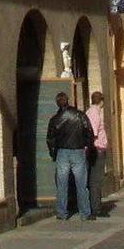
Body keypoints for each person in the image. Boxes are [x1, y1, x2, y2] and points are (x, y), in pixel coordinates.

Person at [46, 91, 95, 221]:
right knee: (81, 184)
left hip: (62, 152)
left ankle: (62, 213)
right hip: (78, 151)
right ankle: (85, 213)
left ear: (57, 103)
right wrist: (87, 146)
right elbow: (89, 131)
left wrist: (53, 153)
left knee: (62, 184)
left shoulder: (55, 119)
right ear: (68, 101)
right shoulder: (80, 115)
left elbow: (50, 138)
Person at [86, 90, 109, 214]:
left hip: (95, 149)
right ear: (101, 101)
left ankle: (95, 205)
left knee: (94, 178)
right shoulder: (94, 113)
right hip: (97, 149)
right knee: (96, 179)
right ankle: (96, 208)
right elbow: (93, 133)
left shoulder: (91, 111)